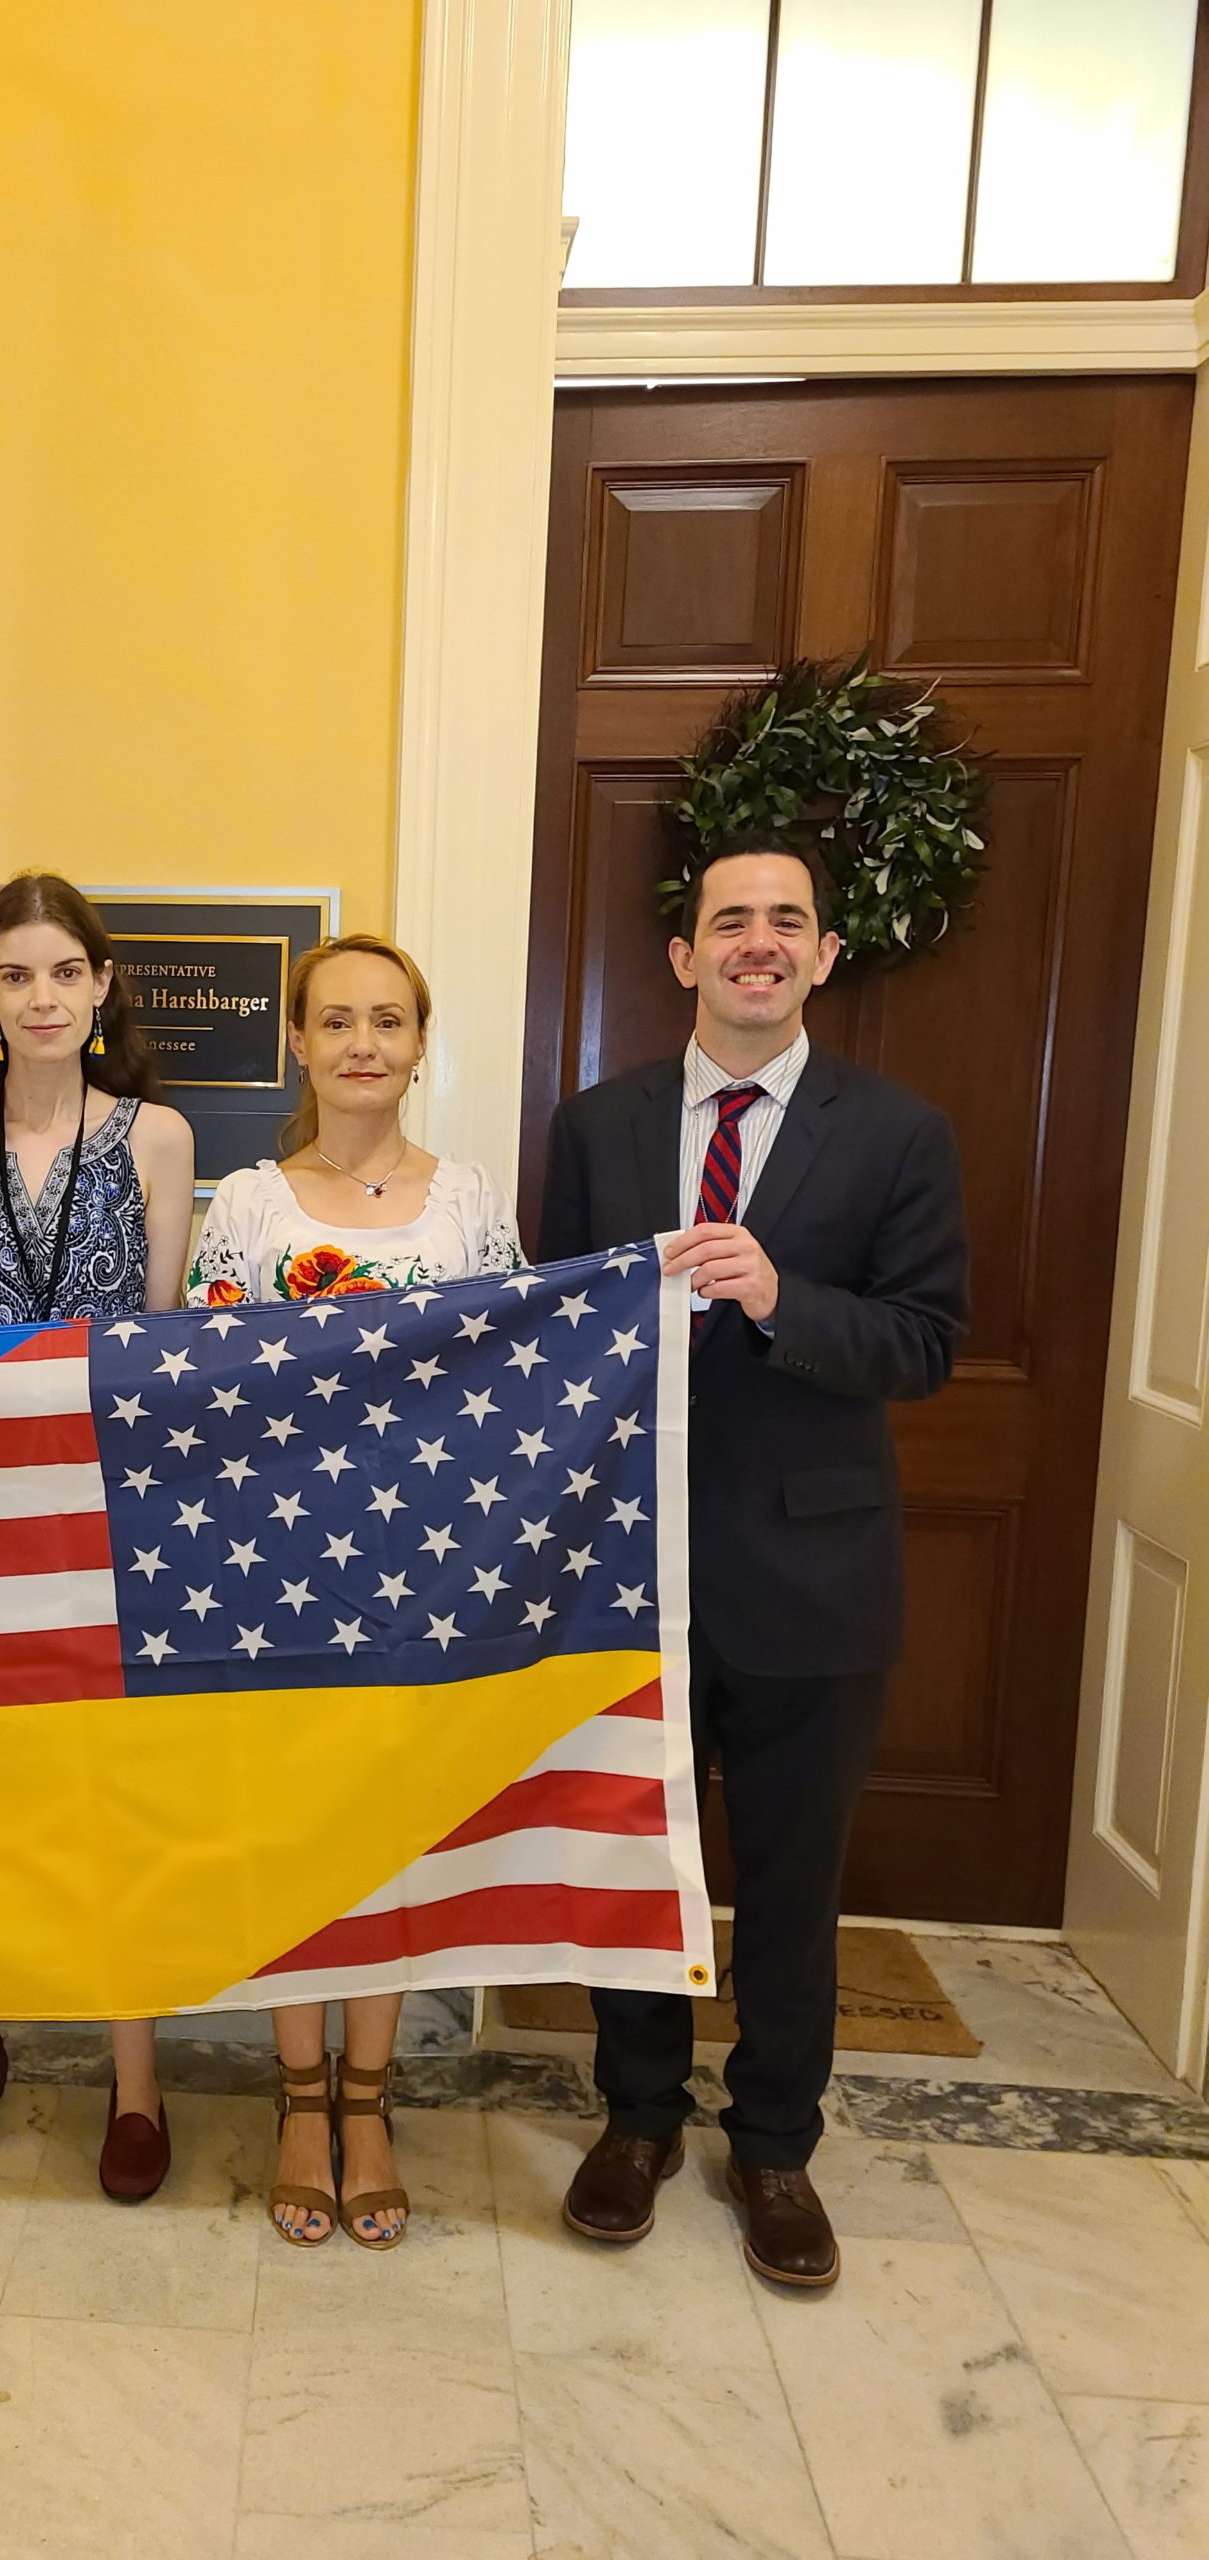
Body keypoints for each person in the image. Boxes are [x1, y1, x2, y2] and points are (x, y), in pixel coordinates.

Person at [534, 834, 968, 2288]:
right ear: (684, 956)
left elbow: (923, 1345)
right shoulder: (596, 1125)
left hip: (810, 1581)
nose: (758, 943)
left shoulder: (898, 1131)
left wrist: (785, 1298)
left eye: (788, 921)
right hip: (627, 1572)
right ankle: (636, 2120)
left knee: (787, 1881)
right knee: (633, 1867)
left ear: (823, 956)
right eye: (731, 921)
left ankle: (772, 2143)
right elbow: (551, 1338)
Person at [186, 932, 523, 2249]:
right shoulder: (247, 1205)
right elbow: (206, 1387)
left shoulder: (471, 1200)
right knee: (290, 1835)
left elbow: (510, 1384)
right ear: (299, 1043)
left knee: (389, 1839)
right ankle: (293, 2100)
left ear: (420, 1043)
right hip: (281, 1573)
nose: (362, 1042)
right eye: (335, 1020)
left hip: (423, 1574)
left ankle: (368, 2105)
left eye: (388, 1019)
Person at [0, 871, 195, 2198]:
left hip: (102, 1508)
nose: (42, 997)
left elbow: (169, 1342)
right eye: (15, 974)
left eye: (64, 971)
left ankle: (134, 2075)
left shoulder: (155, 1138)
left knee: (103, 1793)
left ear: (100, 986)